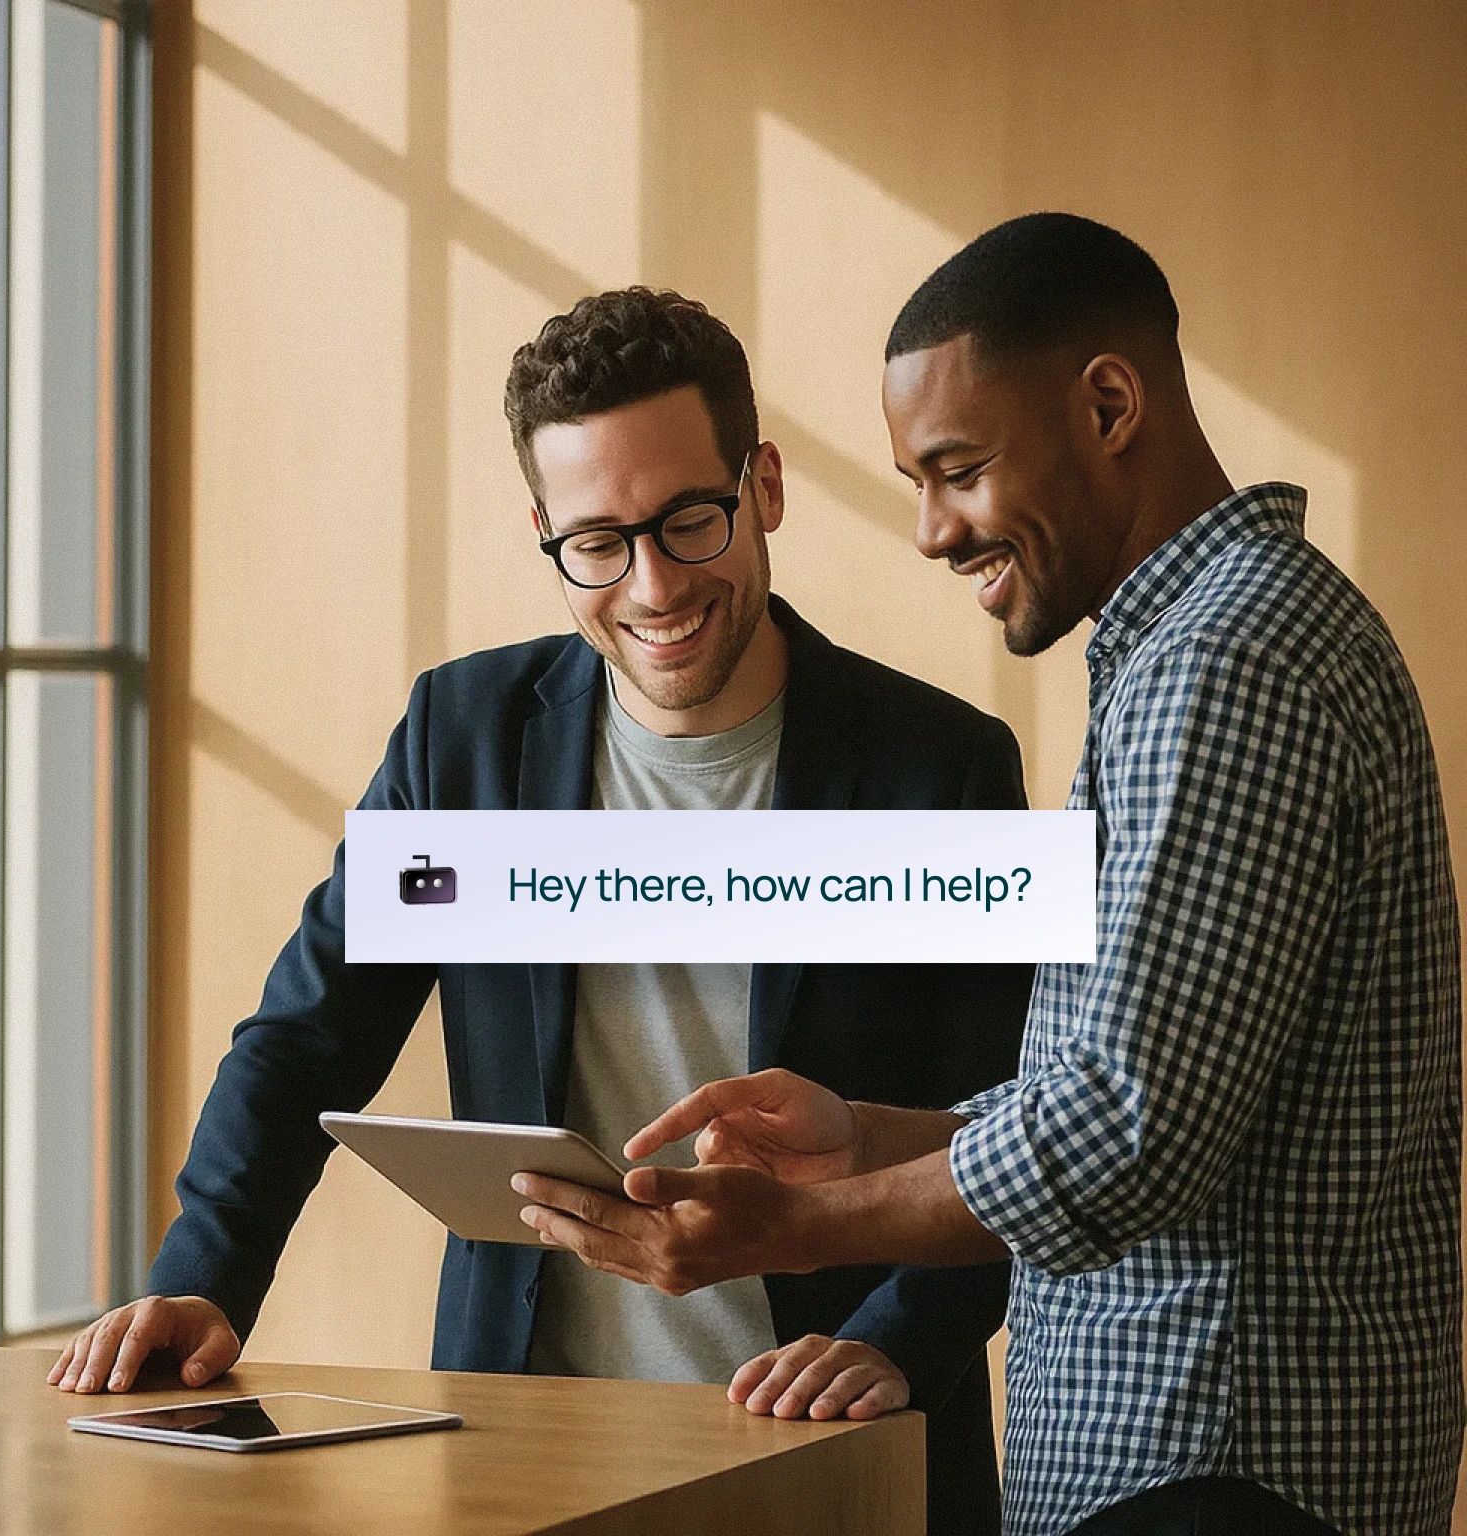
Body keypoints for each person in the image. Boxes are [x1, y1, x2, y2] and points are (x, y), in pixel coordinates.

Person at [511, 217, 1465, 1535]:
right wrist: (873, 1133)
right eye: (914, 481)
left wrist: (793, 1227)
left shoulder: (1224, 668)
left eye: (957, 469)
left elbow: (1125, 1139)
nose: (931, 530)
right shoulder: (1198, 651)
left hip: (1213, 1470)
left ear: (1111, 404)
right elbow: (1140, 1092)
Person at [49, 288, 1034, 1533]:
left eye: (690, 520)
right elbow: (308, 1033)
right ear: (544, 532)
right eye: (597, 542)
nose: (653, 584)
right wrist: (203, 1282)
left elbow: (1006, 1132)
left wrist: (896, 1341)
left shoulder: (940, 771)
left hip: (829, 1443)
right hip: (530, 1450)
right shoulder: (459, 741)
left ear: (764, 486)